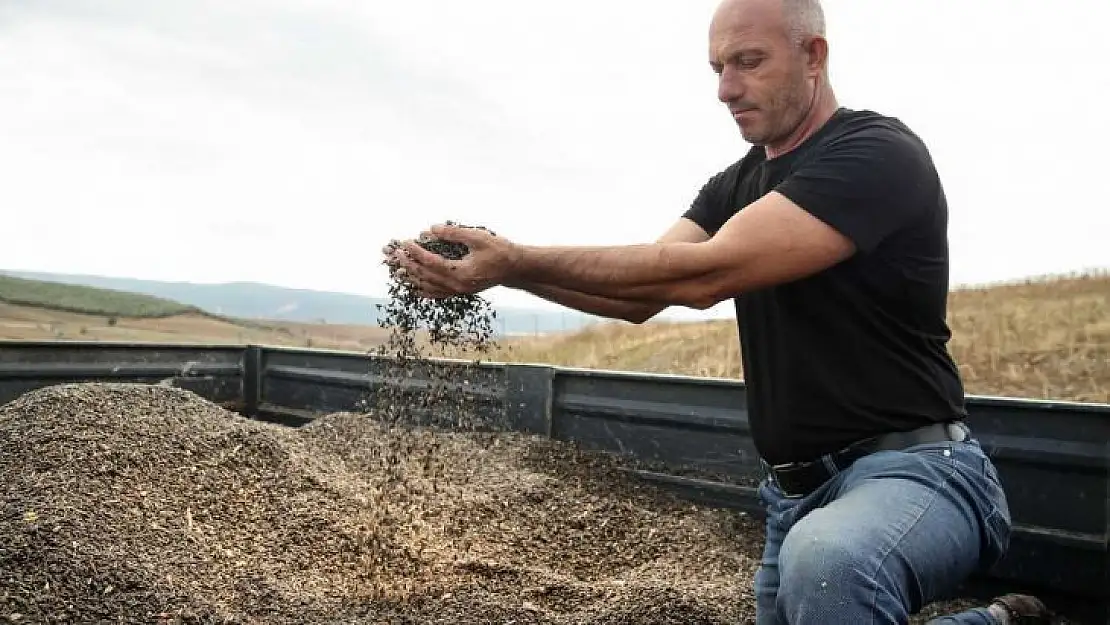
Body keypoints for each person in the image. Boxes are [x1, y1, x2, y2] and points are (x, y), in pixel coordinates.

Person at [383, 0, 1056, 623]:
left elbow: (703, 274)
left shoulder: (877, 155)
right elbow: (645, 292)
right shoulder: (735, 183)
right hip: (793, 499)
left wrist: (516, 258)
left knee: (830, 566)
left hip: (919, 472)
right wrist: (500, 276)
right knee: (820, 561)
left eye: (748, 61)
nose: (725, 89)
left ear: (814, 56)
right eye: (717, 68)